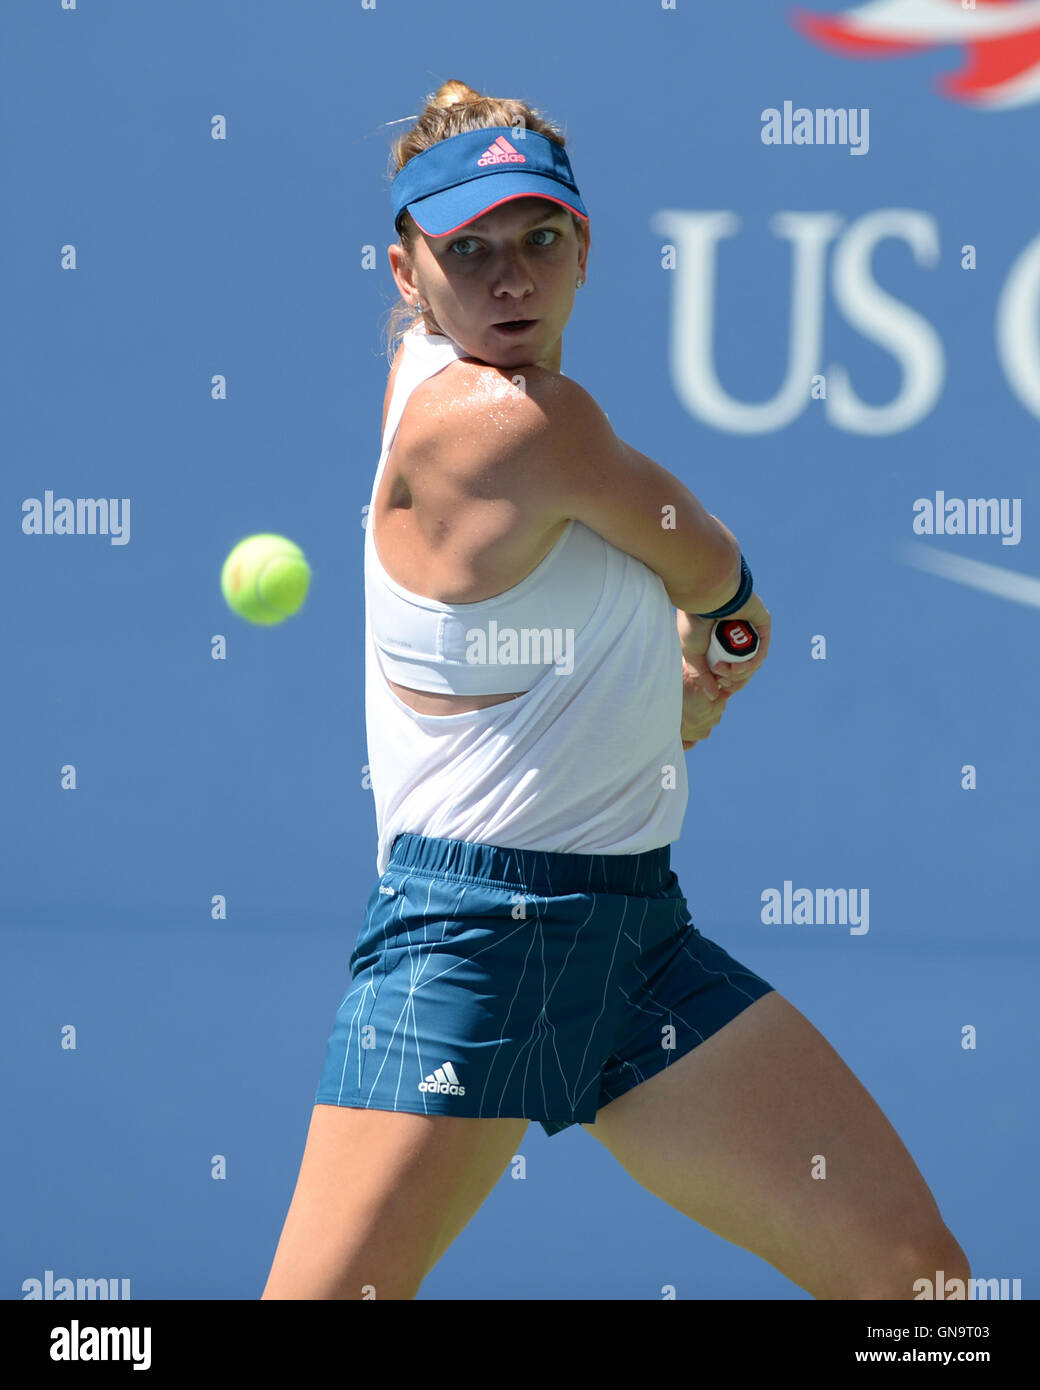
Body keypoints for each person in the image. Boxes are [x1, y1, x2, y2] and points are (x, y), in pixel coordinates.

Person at [261, 81, 969, 1301]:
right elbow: (711, 564)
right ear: (405, 272)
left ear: (584, 247)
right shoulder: (510, 421)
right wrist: (725, 629)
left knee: (918, 1287)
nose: (509, 279)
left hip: (638, 943)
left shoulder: (439, 376)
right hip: (471, 949)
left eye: (538, 239)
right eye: (467, 251)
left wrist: (666, 682)